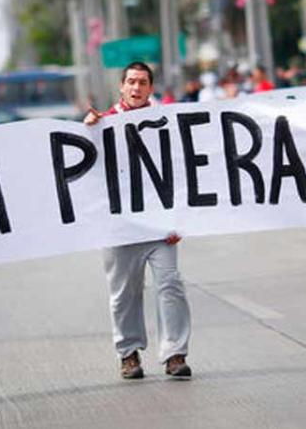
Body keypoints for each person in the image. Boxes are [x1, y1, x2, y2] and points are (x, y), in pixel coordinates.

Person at [84, 61, 192, 379]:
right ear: (121, 86)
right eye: (131, 82)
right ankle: (128, 354)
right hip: (119, 227)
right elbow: (83, 167)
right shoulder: (103, 123)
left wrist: (180, 219)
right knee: (124, 293)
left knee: (171, 284)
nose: (136, 88)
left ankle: (175, 354)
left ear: (151, 88)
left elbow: (183, 172)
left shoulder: (166, 122)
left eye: (142, 82)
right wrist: (88, 129)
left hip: (160, 226)